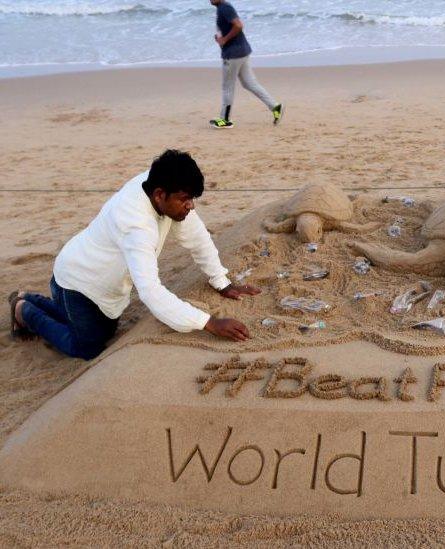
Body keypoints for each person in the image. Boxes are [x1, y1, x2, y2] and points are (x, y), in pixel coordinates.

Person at [9, 150, 260, 359]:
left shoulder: (158, 185)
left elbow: (197, 238)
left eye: (192, 199)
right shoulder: (137, 226)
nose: (190, 206)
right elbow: (151, 291)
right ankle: (24, 311)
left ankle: (28, 298)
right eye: (185, 199)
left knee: (104, 328)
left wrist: (222, 282)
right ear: (160, 195)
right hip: (77, 283)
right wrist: (209, 323)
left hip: (98, 280)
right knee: (87, 348)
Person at [209, 0, 284, 128]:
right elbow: (232, 27)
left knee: (228, 87)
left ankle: (225, 120)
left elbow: (238, 25)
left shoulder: (224, 8)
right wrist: (221, 38)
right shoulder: (224, 7)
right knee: (249, 83)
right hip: (242, 51)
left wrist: (224, 40)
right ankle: (275, 107)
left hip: (233, 55)